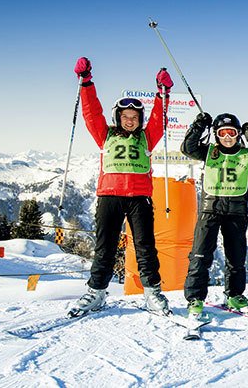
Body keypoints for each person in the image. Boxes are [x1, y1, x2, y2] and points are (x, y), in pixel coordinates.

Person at [68, 57, 171, 317]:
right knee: (105, 246)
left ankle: (152, 293)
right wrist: (86, 82)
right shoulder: (105, 134)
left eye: (134, 117)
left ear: (140, 119)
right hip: (109, 197)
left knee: (145, 246)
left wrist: (163, 94)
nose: (129, 120)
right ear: (118, 117)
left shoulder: (148, 136)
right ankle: (96, 292)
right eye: (125, 116)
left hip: (139, 198)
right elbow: (92, 112)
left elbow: (160, 118)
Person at [180, 112, 248, 318]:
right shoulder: (208, 151)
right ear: (216, 135)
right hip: (210, 210)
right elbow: (187, 148)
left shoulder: (245, 154)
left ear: (238, 135)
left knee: (236, 257)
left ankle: (234, 295)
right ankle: (195, 298)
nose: (227, 137)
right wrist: (199, 125)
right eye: (222, 133)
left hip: (236, 212)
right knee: (200, 255)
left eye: (232, 132)